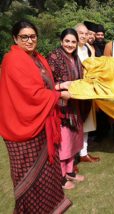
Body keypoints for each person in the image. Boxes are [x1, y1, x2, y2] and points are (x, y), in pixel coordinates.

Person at [0, 20, 72, 213]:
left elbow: (42, 87)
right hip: (23, 128)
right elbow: (30, 95)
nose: (29, 40)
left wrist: (58, 86)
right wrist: (58, 95)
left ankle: (49, 209)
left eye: (33, 36)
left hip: (41, 123)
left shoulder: (37, 58)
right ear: (15, 38)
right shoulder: (13, 60)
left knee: (47, 176)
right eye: (24, 37)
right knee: (29, 181)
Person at [47, 28, 86, 190]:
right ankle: (61, 177)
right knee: (63, 142)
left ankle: (70, 171)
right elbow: (46, 84)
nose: (70, 45)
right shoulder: (53, 57)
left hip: (74, 106)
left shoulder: (76, 58)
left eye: (73, 42)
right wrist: (61, 88)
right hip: (60, 108)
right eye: (67, 41)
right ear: (61, 41)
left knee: (73, 139)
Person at [75, 23, 100, 162]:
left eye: (86, 33)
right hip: (75, 91)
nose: (84, 36)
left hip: (88, 90)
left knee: (87, 124)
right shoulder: (71, 49)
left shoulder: (89, 49)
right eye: (81, 33)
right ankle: (73, 155)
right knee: (75, 124)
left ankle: (83, 153)